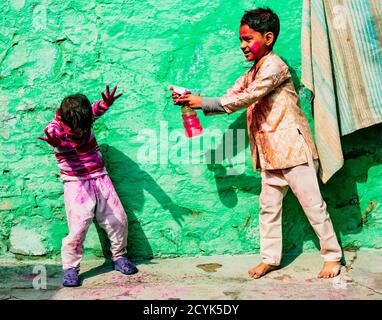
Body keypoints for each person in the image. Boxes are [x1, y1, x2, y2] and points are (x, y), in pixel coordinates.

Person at [171, 8, 342, 279]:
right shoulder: (253, 71)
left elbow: (247, 98)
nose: (242, 45)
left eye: (248, 39)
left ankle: (332, 256)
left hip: (294, 152)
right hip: (270, 155)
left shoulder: (274, 67)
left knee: (314, 206)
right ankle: (270, 259)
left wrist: (202, 103)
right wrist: (195, 99)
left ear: (269, 38)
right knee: (268, 209)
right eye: (241, 40)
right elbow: (233, 94)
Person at [38, 85, 138, 287]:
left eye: (85, 128)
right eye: (76, 130)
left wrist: (106, 103)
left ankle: (119, 257)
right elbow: (53, 135)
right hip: (75, 183)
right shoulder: (55, 128)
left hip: (100, 177)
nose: (81, 132)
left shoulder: (84, 116)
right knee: (78, 227)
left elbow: (97, 109)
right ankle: (70, 268)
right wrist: (56, 140)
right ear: (65, 122)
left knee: (118, 219)